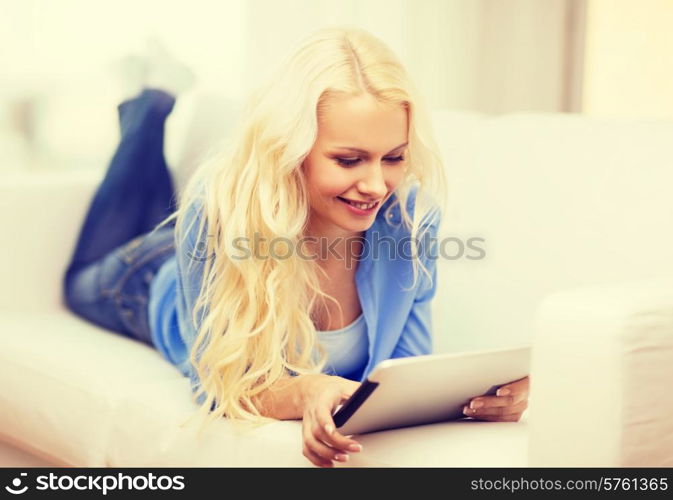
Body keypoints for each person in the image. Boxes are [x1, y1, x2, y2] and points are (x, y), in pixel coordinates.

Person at [63, 28, 529, 468]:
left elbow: (401, 371)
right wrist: (305, 391)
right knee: (79, 279)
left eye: (393, 157)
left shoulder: (409, 219)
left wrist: (482, 398)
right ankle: (151, 102)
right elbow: (218, 383)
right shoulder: (217, 210)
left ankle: (151, 103)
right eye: (348, 160)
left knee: (150, 206)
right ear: (290, 149)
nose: (375, 185)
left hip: (222, 237)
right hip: (145, 279)